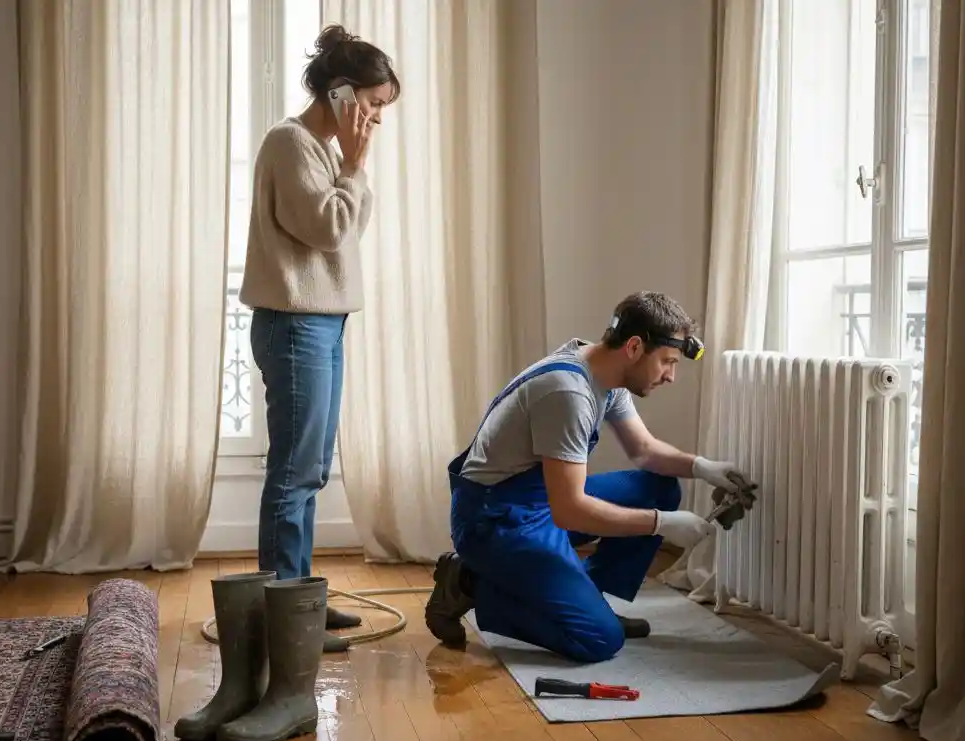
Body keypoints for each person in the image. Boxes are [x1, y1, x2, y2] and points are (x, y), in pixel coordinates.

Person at [424, 291, 748, 663]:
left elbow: (645, 450)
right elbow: (570, 512)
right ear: (634, 347)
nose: (671, 376)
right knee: (599, 639)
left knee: (658, 488)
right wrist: (661, 524)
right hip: (494, 522)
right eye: (667, 362)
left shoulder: (604, 373)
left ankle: (587, 596)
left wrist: (704, 467)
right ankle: (469, 582)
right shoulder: (568, 393)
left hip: (538, 501)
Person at [237, 24, 399, 637]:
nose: (377, 118)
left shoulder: (324, 151)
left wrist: (350, 168)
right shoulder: (291, 143)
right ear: (341, 94)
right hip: (296, 324)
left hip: (322, 324)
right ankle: (282, 612)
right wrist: (355, 167)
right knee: (294, 470)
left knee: (311, 469)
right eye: (375, 104)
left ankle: (296, 599)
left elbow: (347, 228)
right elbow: (332, 229)